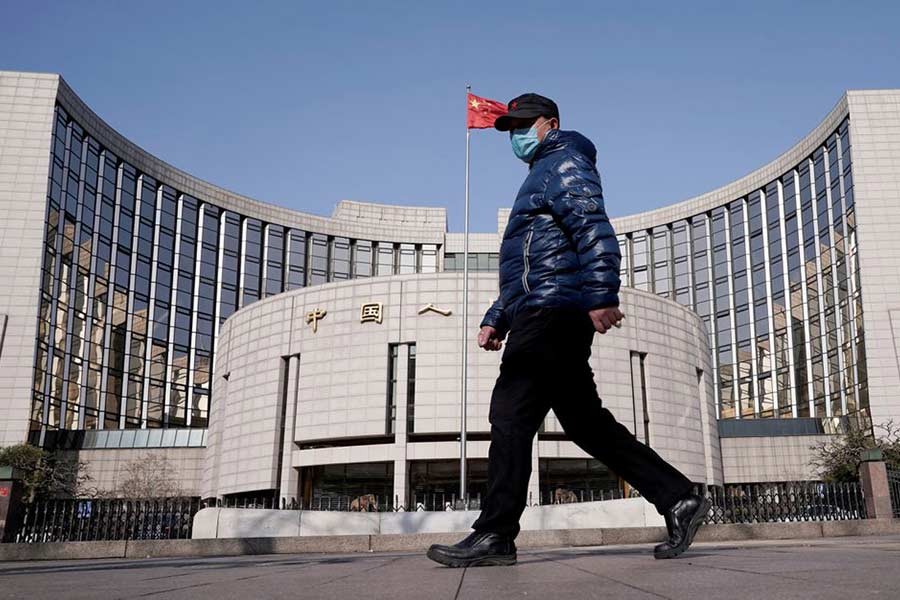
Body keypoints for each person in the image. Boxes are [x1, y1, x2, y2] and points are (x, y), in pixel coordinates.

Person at [427, 93, 710, 568]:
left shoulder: (564, 161)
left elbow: (593, 228)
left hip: (553, 313)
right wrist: (498, 315)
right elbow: (530, 264)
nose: (515, 135)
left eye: (523, 124)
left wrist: (601, 293)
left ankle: (495, 533)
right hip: (543, 308)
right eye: (509, 127)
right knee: (585, 423)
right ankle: (678, 497)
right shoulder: (542, 171)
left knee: (511, 415)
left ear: (549, 123)